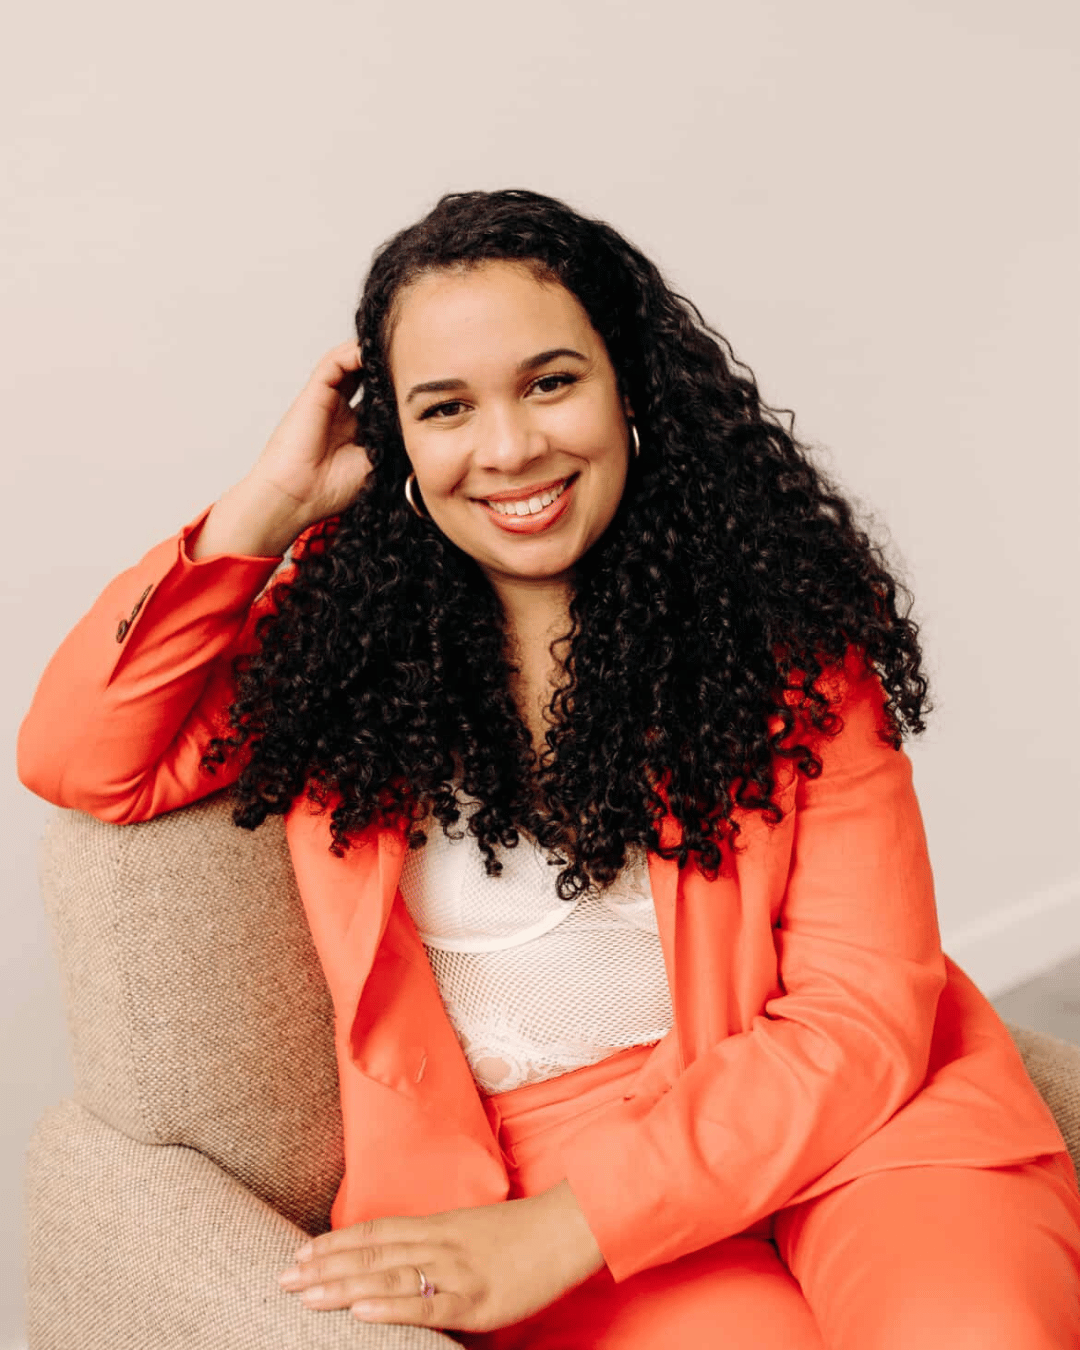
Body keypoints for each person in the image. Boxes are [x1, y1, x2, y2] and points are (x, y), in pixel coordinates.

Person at [17, 188, 1080, 1348]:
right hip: (537, 1169)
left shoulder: (785, 633)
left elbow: (863, 1010)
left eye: (550, 382)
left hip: (865, 1115)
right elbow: (83, 757)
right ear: (396, 440)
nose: (511, 447)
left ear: (628, 383)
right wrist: (265, 507)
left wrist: (580, 1225)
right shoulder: (330, 644)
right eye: (446, 407)